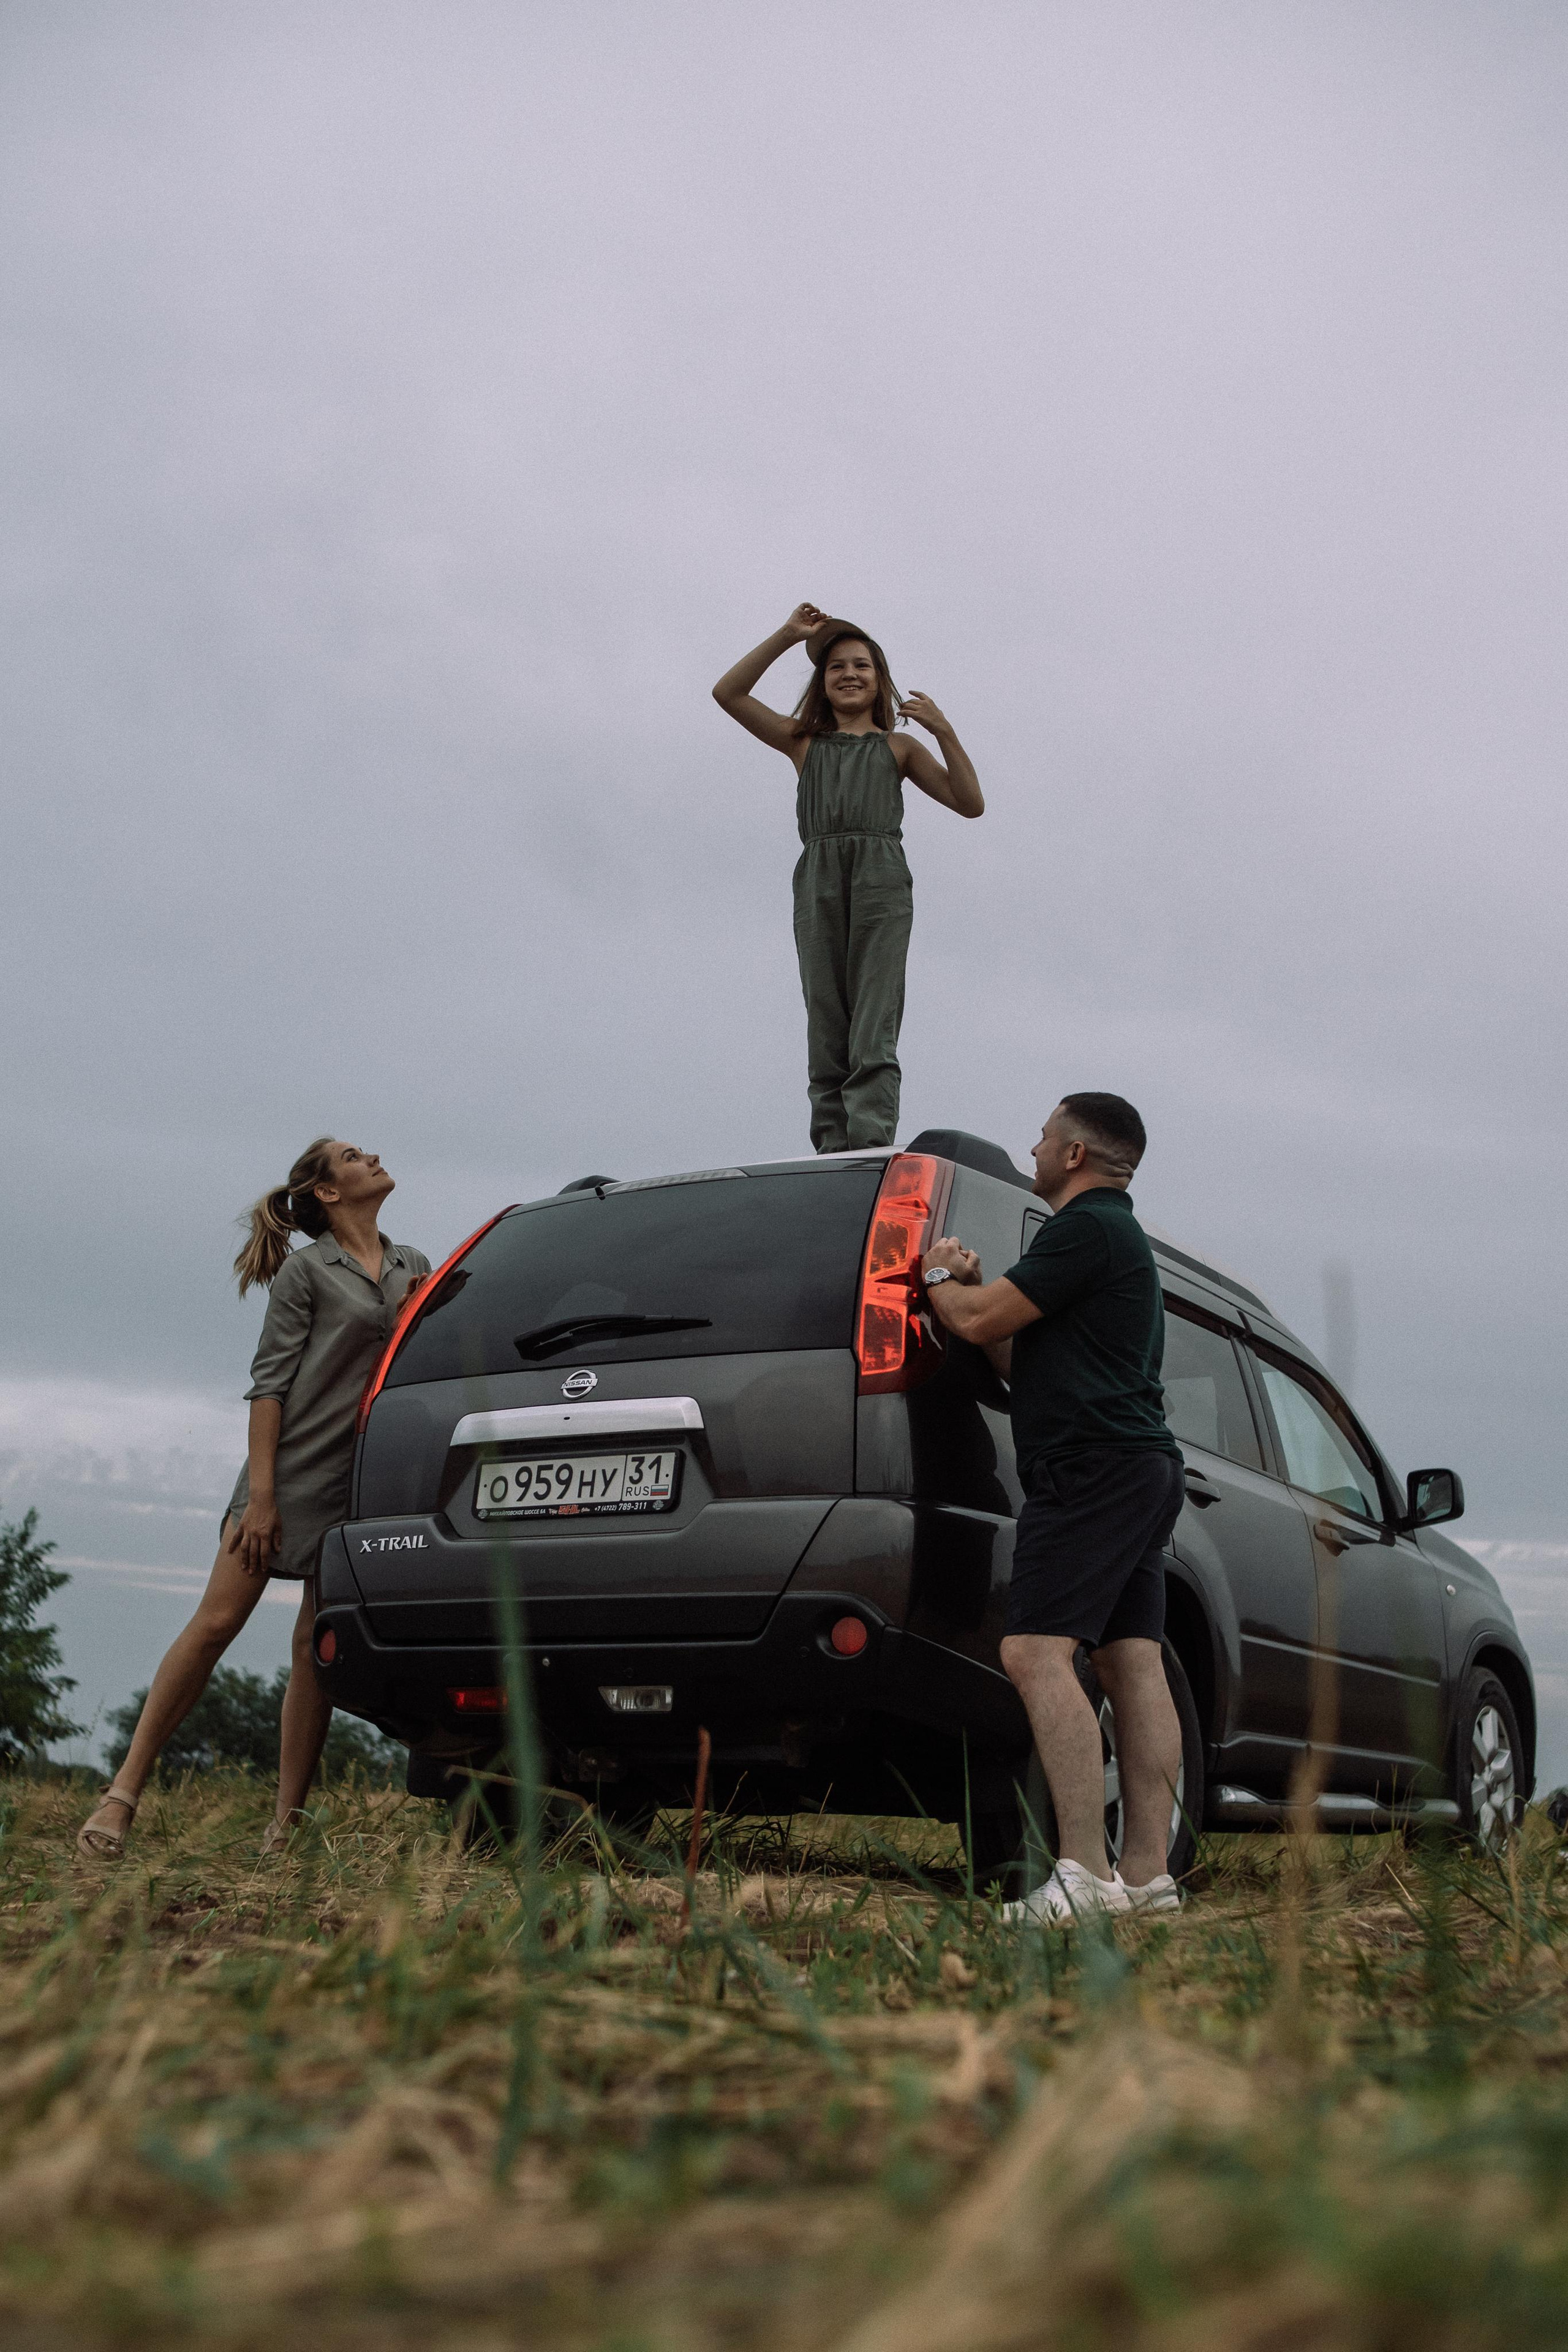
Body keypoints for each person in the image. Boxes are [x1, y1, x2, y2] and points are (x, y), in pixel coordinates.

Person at [76, 1139, 431, 1860]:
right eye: (353, 1156)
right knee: (214, 1625)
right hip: (288, 1476)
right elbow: (269, 1386)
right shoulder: (306, 1272)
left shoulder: (412, 1265)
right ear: (327, 1193)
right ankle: (121, 1796)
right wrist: (261, 1500)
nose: (373, 1157)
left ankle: (285, 1827)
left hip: (361, 1484)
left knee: (313, 1646)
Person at [919, 1093, 1186, 1923]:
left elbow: (974, 1321)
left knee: (1036, 1653)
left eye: (1042, 1137)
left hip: (1092, 1470)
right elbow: (1008, 1353)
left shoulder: (1086, 1228)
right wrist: (972, 1292)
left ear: (1074, 1155)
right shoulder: (1115, 1240)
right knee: (1130, 1662)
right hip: (1137, 1467)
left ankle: (1082, 1876)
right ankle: (1147, 1880)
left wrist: (934, 1272)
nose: (1033, 1148)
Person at [713, 603, 983, 1153]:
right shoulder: (802, 741)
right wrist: (788, 635)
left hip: (881, 877)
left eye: (861, 665)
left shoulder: (899, 747)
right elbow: (729, 693)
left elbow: (970, 803)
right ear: (823, 682)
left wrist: (945, 731)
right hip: (818, 875)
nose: (850, 674)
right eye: (836, 667)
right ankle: (832, 1147)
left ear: (880, 679)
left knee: (874, 1011)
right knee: (826, 1014)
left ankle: (870, 1141)